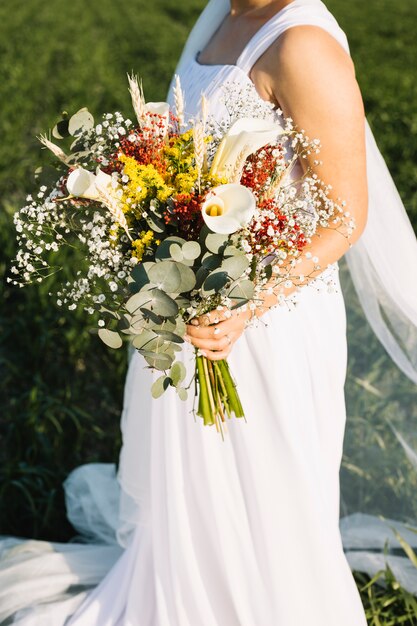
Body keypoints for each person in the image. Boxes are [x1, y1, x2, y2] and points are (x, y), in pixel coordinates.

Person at [1, 0, 417, 624]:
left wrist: (244, 305)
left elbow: (345, 217)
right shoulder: (219, 12)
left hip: (271, 316)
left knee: (267, 494)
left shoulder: (303, 45)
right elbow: (181, 143)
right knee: (194, 492)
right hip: (193, 297)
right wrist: (128, 203)